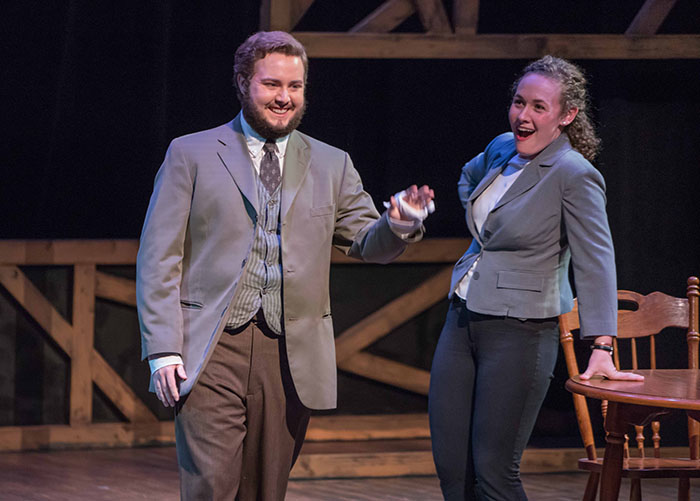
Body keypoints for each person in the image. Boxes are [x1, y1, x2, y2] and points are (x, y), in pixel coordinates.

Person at [136, 31, 434, 501]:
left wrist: (399, 224)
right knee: (210, 484)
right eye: (272, 84)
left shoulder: (332, 163)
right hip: (211, 345)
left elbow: (365, 242)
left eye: (295, 86)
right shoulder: (192, 153)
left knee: (266, 487)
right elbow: (159, 255)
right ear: (243, 83)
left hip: (289, 351)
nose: (284, 97)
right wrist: (163, 349)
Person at [428, 55, 643, 500]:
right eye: (519, 102)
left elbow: (596, 260)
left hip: (521, 331)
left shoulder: (574, 174)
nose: (523, 116)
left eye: (538, 107)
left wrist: (602, 344)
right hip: (462, 318)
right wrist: (485, 236)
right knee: (453, 469)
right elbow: (469, 178)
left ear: (567, 115)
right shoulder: (501, 148)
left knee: (493, 472)